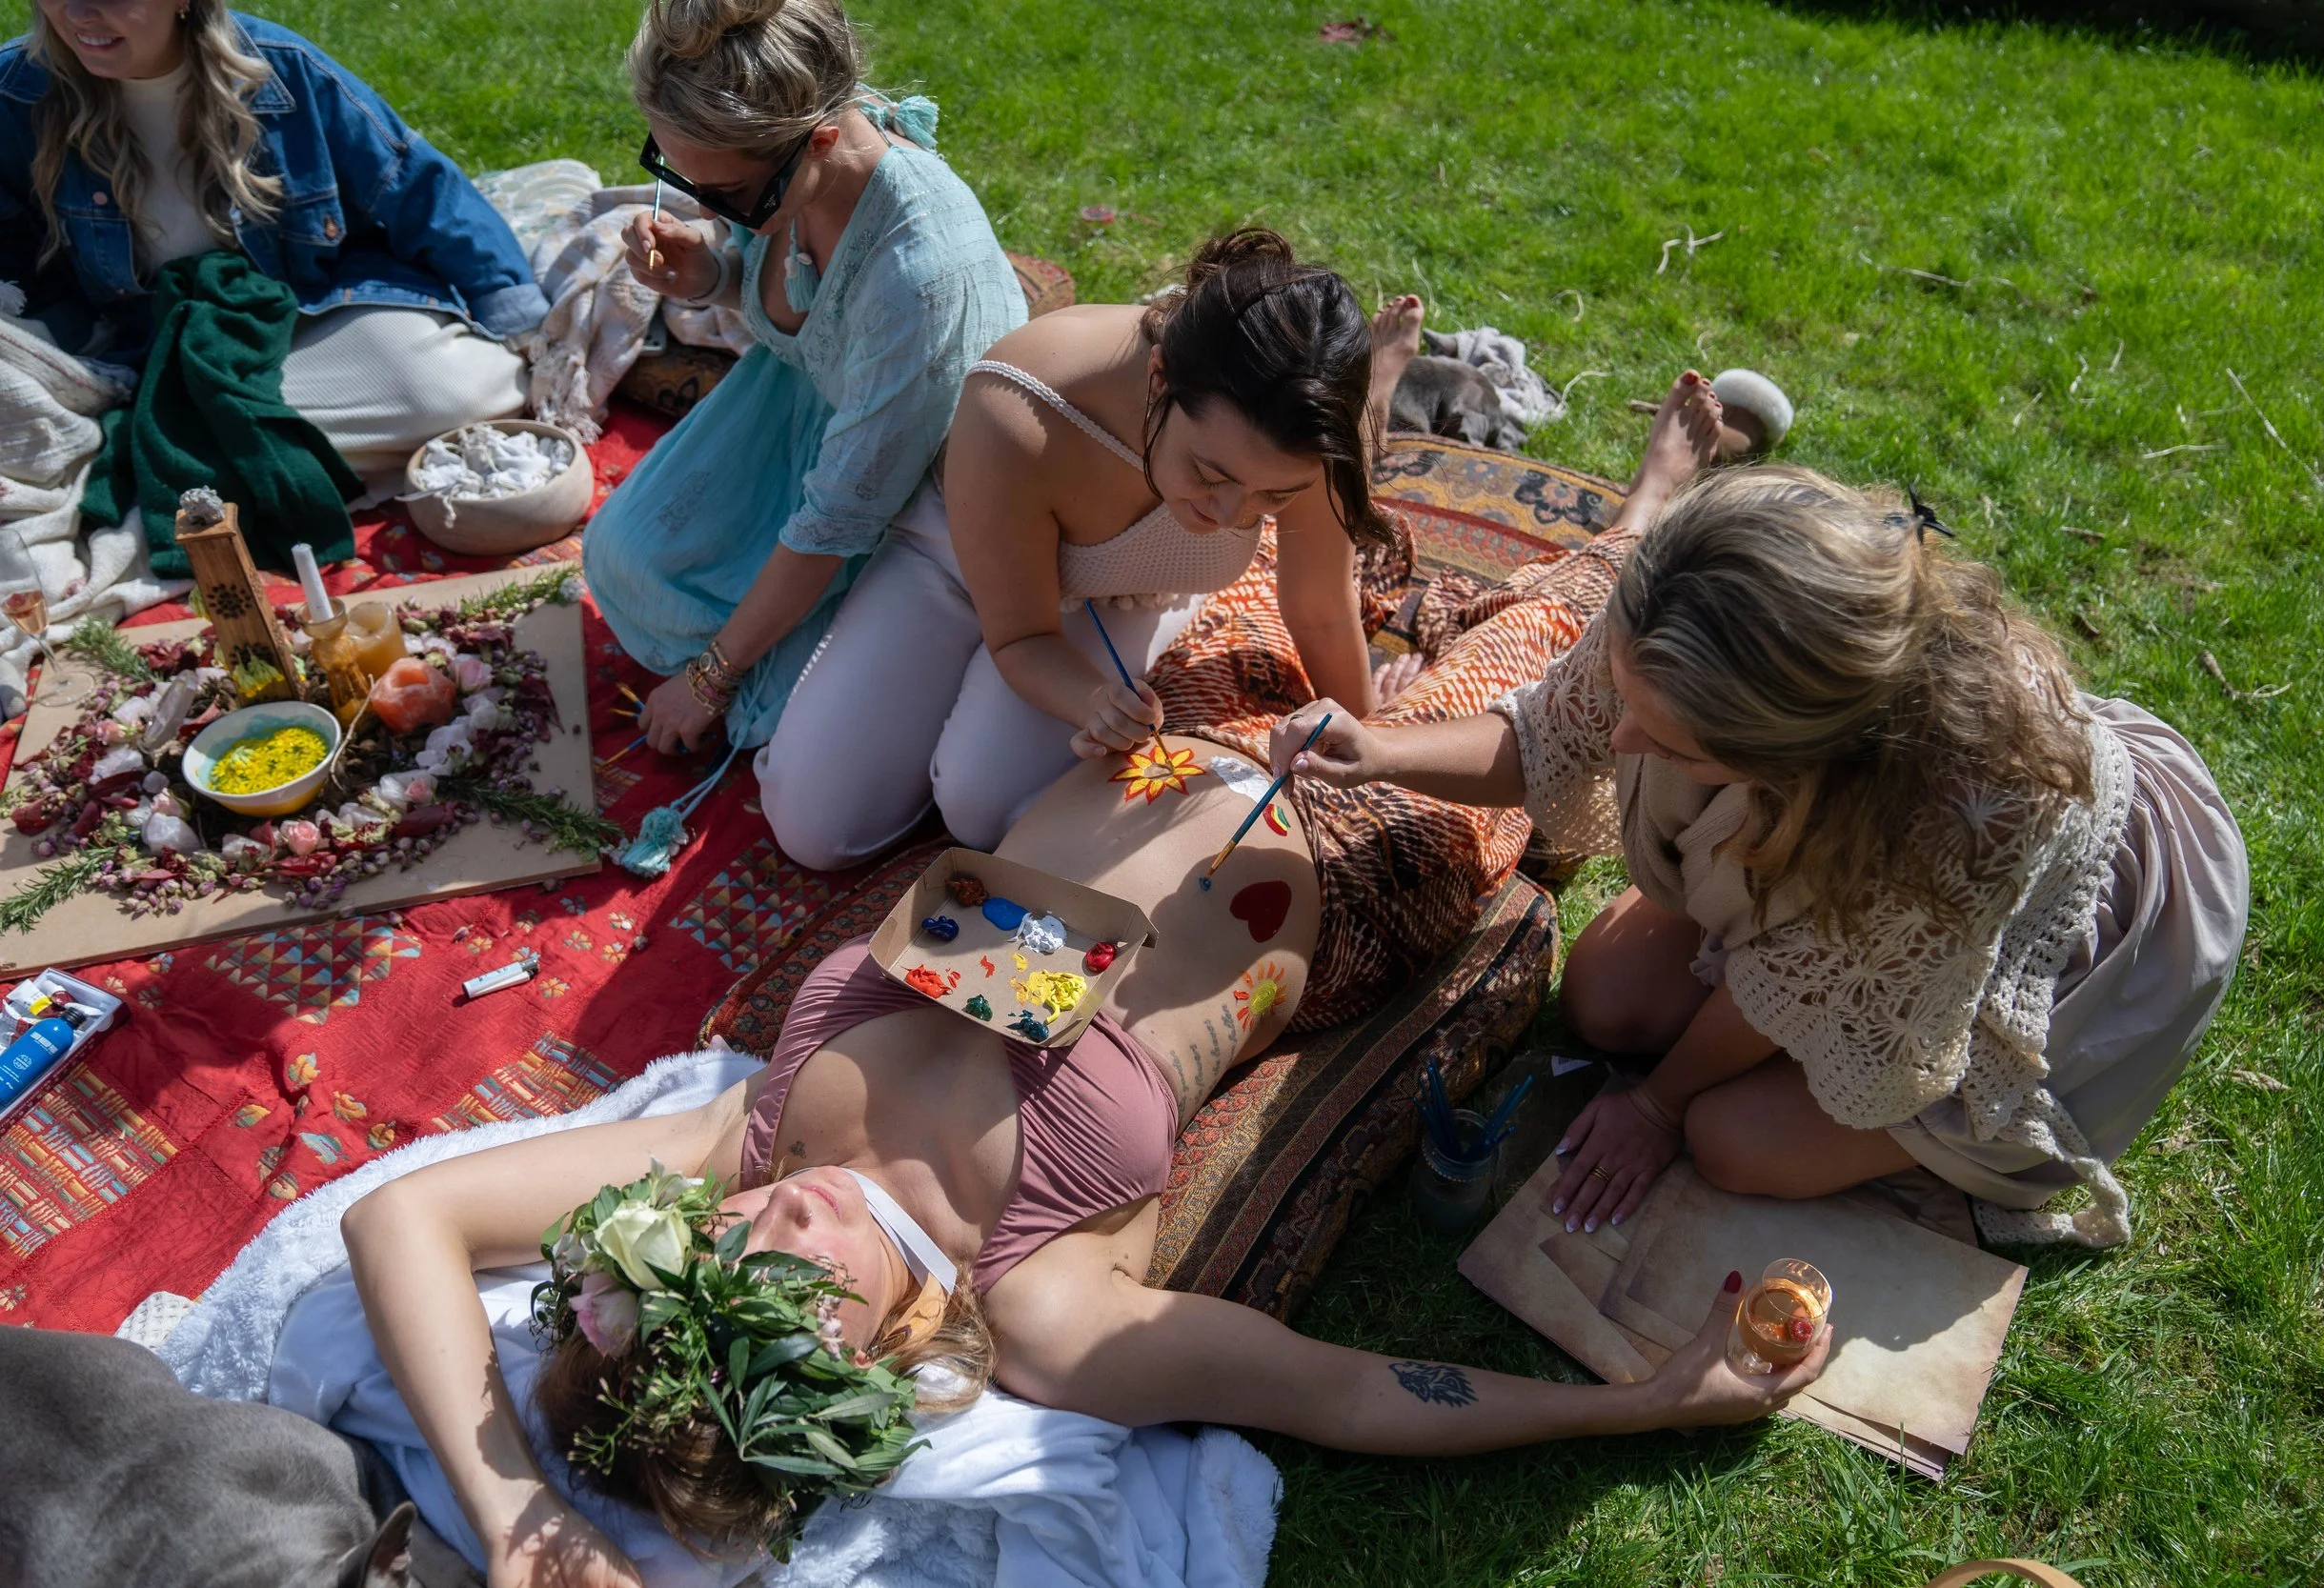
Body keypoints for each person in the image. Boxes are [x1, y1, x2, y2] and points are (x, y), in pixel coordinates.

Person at [341, 726, 1832, 1587]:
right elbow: (1341, 1391)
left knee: (1296, 490)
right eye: (798, 1293)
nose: (774, 1226)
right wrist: (1637, 1403)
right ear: (875, 1356)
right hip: (1353, 843)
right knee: (1605, 707)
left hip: (1144, 733)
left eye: (725, 1258)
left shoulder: (740, 1142)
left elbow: (404, 1213)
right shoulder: (1040, 1300)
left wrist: (518, 1510)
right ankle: (1646, 523)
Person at [1267, 464, 2250, 1249]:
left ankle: (1929, 1131)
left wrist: (1657, 1104)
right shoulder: (1682, 600)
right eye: (1632, 704)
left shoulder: (1950, 819)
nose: (1621, 747)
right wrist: (1378, 749)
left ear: (1795, 755)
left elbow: (1795, 984)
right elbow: (1546, 736)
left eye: (1678, 744)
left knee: (1729, 1140)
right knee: (1605, 994)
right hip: (1837, 866)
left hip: (2075, 957)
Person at [759, 226, 1425, 866]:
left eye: (1272, 500)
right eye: (1209, 475)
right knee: (814, 825)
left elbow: (1318, 607)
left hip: (1127, 588)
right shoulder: (1020, 406)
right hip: (954, 562)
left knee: (981, 807)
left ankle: (1378, 391)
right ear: (1160, 379)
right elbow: (1021, 637)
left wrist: (1370, 742)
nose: (1229, 516)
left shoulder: (1304, 435)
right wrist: (1089, 700)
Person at [586, 0, 1024, 758]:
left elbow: (841, 516)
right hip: (797, 413)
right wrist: (709, 272)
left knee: (773, 721)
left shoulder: (919, 277)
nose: (704, 205)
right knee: (619, 561)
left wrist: (709, 678)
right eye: (676, 175)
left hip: (914, 504)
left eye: (724, 194)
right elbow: (794, 295)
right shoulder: (795, 172)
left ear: (821, 137)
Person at [0, 0, 542, 480]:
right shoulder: (16, 93)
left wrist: (521, 320)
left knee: (454, 392)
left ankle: (171, 447)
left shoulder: (281, 71)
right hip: (143, 341)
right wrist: (73, 353)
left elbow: (416, 188)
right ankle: (204, 441)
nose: (76, 14)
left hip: (302, 314)